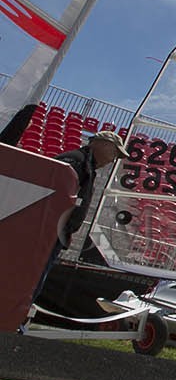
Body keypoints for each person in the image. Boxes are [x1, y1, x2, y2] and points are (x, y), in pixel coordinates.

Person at [32, 127, 132, 304]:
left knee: (36, 278)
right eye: (114, 153)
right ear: (103, 146)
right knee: (33, 278)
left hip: (53, 232)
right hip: (46, 232)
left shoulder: (86, 165)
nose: (113, 159)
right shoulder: (77, 162)